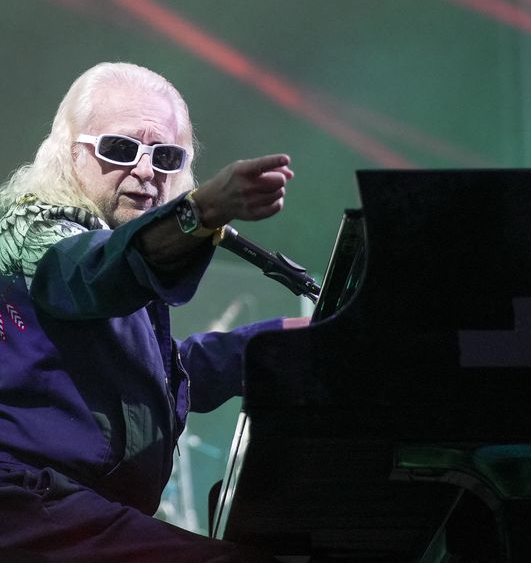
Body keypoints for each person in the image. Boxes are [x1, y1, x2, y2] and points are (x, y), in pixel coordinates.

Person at [0, 62, 306, 562]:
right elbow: (93, 272)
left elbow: (159, 386)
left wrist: (278, 342)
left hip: (73, 515)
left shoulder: (121, 263)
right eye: (120, 149)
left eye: (165, 156)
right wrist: (200, 212)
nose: (146, 171)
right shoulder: (36, 230)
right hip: (24, 510)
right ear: (67, 154)